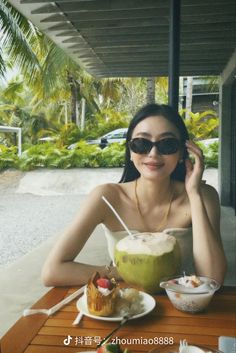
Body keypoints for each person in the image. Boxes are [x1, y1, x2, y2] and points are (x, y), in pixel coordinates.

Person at [42, 103, 226, 287]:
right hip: (125, 306)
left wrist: (194, 195)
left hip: (184, 305)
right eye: (141, 144)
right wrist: (122, 271)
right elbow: (53, 271)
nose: (153, 153)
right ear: (130, 151)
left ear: (181, 153)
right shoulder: (106, 197)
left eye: (167, 144)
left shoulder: (203, 196)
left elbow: (213, 278)